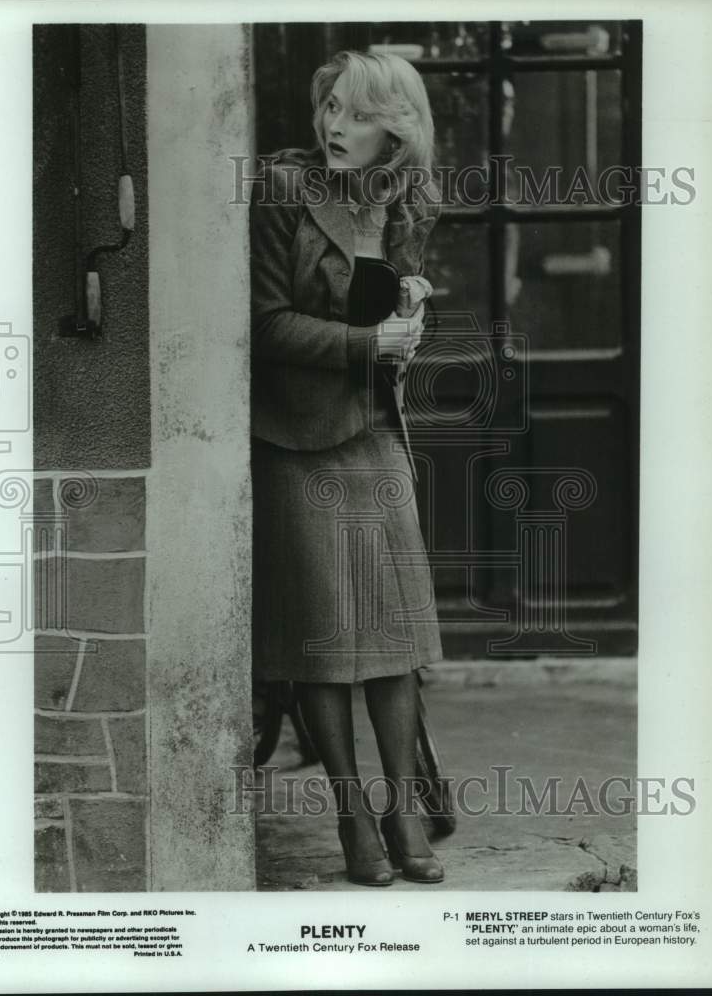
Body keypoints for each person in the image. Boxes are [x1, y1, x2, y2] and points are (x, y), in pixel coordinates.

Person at [250, 49, 444, 886]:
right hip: (293, 436)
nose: (334, 125)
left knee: (395, 637)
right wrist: (368, 342)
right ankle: (351, 814)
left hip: (371, 430)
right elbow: (261, 323)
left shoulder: (406, 197)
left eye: (358, 114)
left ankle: (403, 810)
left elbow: (389, 304)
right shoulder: (280, 190)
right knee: (323, 640)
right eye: (329, 105)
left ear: (395, 131)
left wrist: (409, 305)